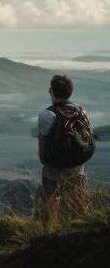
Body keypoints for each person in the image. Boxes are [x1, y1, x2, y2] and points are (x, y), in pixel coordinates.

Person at [38, 74, 91, 210]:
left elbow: (42, 146)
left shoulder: (46, 115)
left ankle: (48, 229)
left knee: (48, 203)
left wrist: (45, 161)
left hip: (54, 168)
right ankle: (78, 226)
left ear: (51, 91)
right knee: (77, 203)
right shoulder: (80, 111)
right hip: (77, 167)